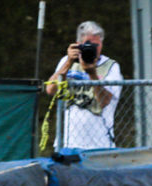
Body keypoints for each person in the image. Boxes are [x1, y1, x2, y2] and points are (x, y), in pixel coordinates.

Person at [44, 21, 123, 151]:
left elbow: (104, 101)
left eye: (97, 44)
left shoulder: (111, 66)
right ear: (79, 44)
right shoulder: (67, 62)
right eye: (89, 44)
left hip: (100, 143)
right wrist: (69, 62)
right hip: (68, 143)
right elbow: (51, 90)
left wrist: (92, 74)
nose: (94, 48)